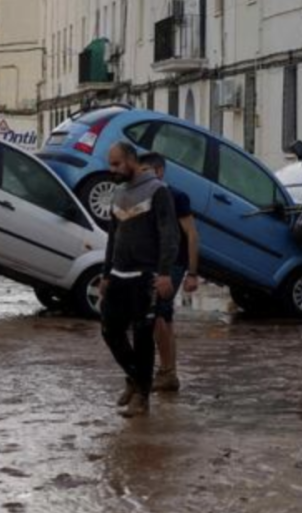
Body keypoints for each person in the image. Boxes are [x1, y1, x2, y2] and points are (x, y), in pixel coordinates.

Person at [99, 142, 179, 417]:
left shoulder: (158, 191)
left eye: (117, 164)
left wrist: (165, 273)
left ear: (131, 160)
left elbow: (170, 234)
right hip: (119, 276)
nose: (112, 170)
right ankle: (136, 378)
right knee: (110, 330)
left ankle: (142, 398)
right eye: (110, 164)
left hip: (146, 277)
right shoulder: (118, 192)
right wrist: (106, 274)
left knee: (144, 337)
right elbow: (112, 236)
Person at [139, 152, 201, 393]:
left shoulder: (177, 197)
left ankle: (166, 373)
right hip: (154, 264)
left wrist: (192, 273)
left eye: (146, 171)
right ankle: (168, 373)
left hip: (173, 264)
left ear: (159, 172)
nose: (142, 176)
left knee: (157, 316)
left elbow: (193, 235)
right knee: (164, 318)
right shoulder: (144, 197)